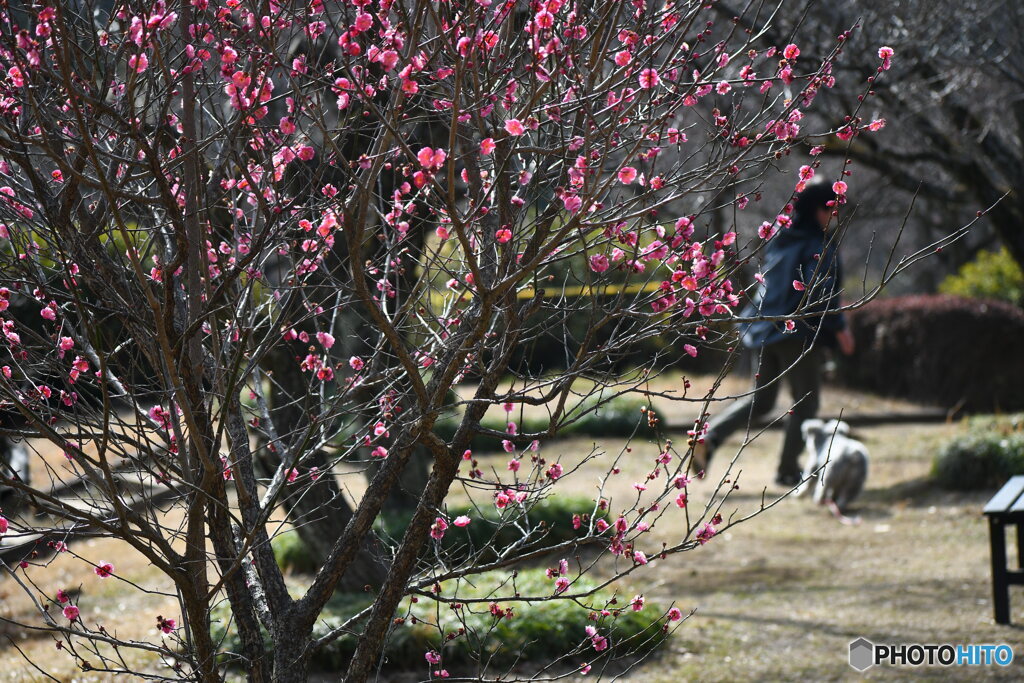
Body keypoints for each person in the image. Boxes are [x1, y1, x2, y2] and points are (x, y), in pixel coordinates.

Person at [693, 182, 855, 486]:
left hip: (763, 326)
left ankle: (710, 437)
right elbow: (821, 293)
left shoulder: (781, 239)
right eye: (830, 209)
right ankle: (787, 470)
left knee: (762, 400)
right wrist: (839, 328)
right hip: (797, 332)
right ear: (818, 210)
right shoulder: (819, 246)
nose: (833, 216)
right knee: (805, 403)